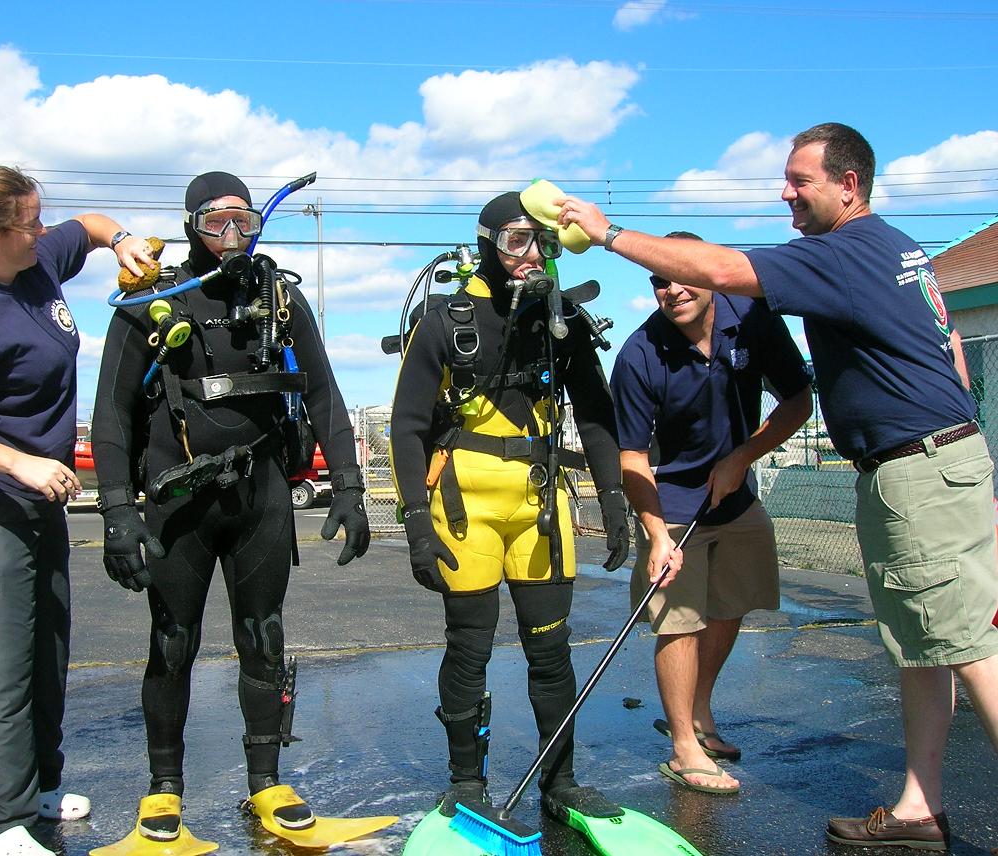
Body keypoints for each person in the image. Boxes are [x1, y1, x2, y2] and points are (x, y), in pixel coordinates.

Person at [556, 122, 998, 851]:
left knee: (969, 646)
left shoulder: (845, 253)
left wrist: (608, 234)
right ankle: (920, 811)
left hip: (919, 472)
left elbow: (726, 269)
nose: (784, 192)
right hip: (928, 466)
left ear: (848, 186)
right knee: (923, 647)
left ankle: (920, 807)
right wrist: (962, 455)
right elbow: (951, 352)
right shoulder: (896, 251)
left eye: (800, 181)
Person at [92, 171, 371, 848]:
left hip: (261, 495)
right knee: (172, 640)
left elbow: (326, 394)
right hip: (177, 497)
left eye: (243, 221)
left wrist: (352, 486)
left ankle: (267, 782)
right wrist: (116, 512)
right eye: (217, 221)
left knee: (264, 633)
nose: (232, 236)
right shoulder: (150, 298)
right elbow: (111, 413)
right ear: (191, 225)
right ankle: (164, 789)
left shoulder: (278, 297)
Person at [0, 165, 154, 856]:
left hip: (38, 492)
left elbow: (95, 227)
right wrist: (16, 461)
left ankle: (40, 787)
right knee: (5, 661)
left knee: (48, 650)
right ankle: (0, 824)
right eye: (30, 222)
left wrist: (124, 240)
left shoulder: (38, 259)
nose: (45, 231)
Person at [389, 190, 638, 828]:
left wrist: (614, 499)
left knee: (552, 651)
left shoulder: (562, 320)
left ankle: (561, 783)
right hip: (464, 505)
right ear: (487, 245)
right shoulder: (447, 319)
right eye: (516, 241)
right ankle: (466, 782)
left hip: (542, 504)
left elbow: (596, 410)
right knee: (470, 646)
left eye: (541, 241)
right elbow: (408, 425)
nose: (531, 255)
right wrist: (416, 523)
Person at [611, 231, 814, 795]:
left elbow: (799, 398)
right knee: (679, 620)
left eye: (682, 276)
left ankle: (700, 713)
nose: (672, 289)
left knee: (729, 605)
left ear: (706, 273)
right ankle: (682, 748)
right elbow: (631, 455)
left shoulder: (750, 317)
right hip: (672, 504)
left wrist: (743, 457)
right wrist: (654, 534)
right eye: (659, 281)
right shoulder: (639, 355)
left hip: (736, 495)